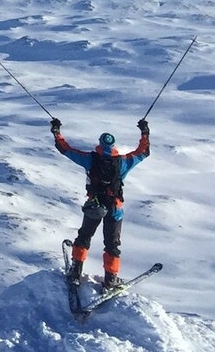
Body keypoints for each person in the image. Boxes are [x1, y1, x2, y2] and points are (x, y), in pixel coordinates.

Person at [52, 116, 151, 288]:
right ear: (113, 146)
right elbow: (143, 152)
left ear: (99, 144)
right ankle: (110, 279)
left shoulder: (90, 159)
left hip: (94, 206)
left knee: (84, 236)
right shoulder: (122, 162)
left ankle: (76, 272)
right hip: (115, 208)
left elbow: (65, 149)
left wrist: (56, 132)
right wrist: (144, 132)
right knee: (112, 244)